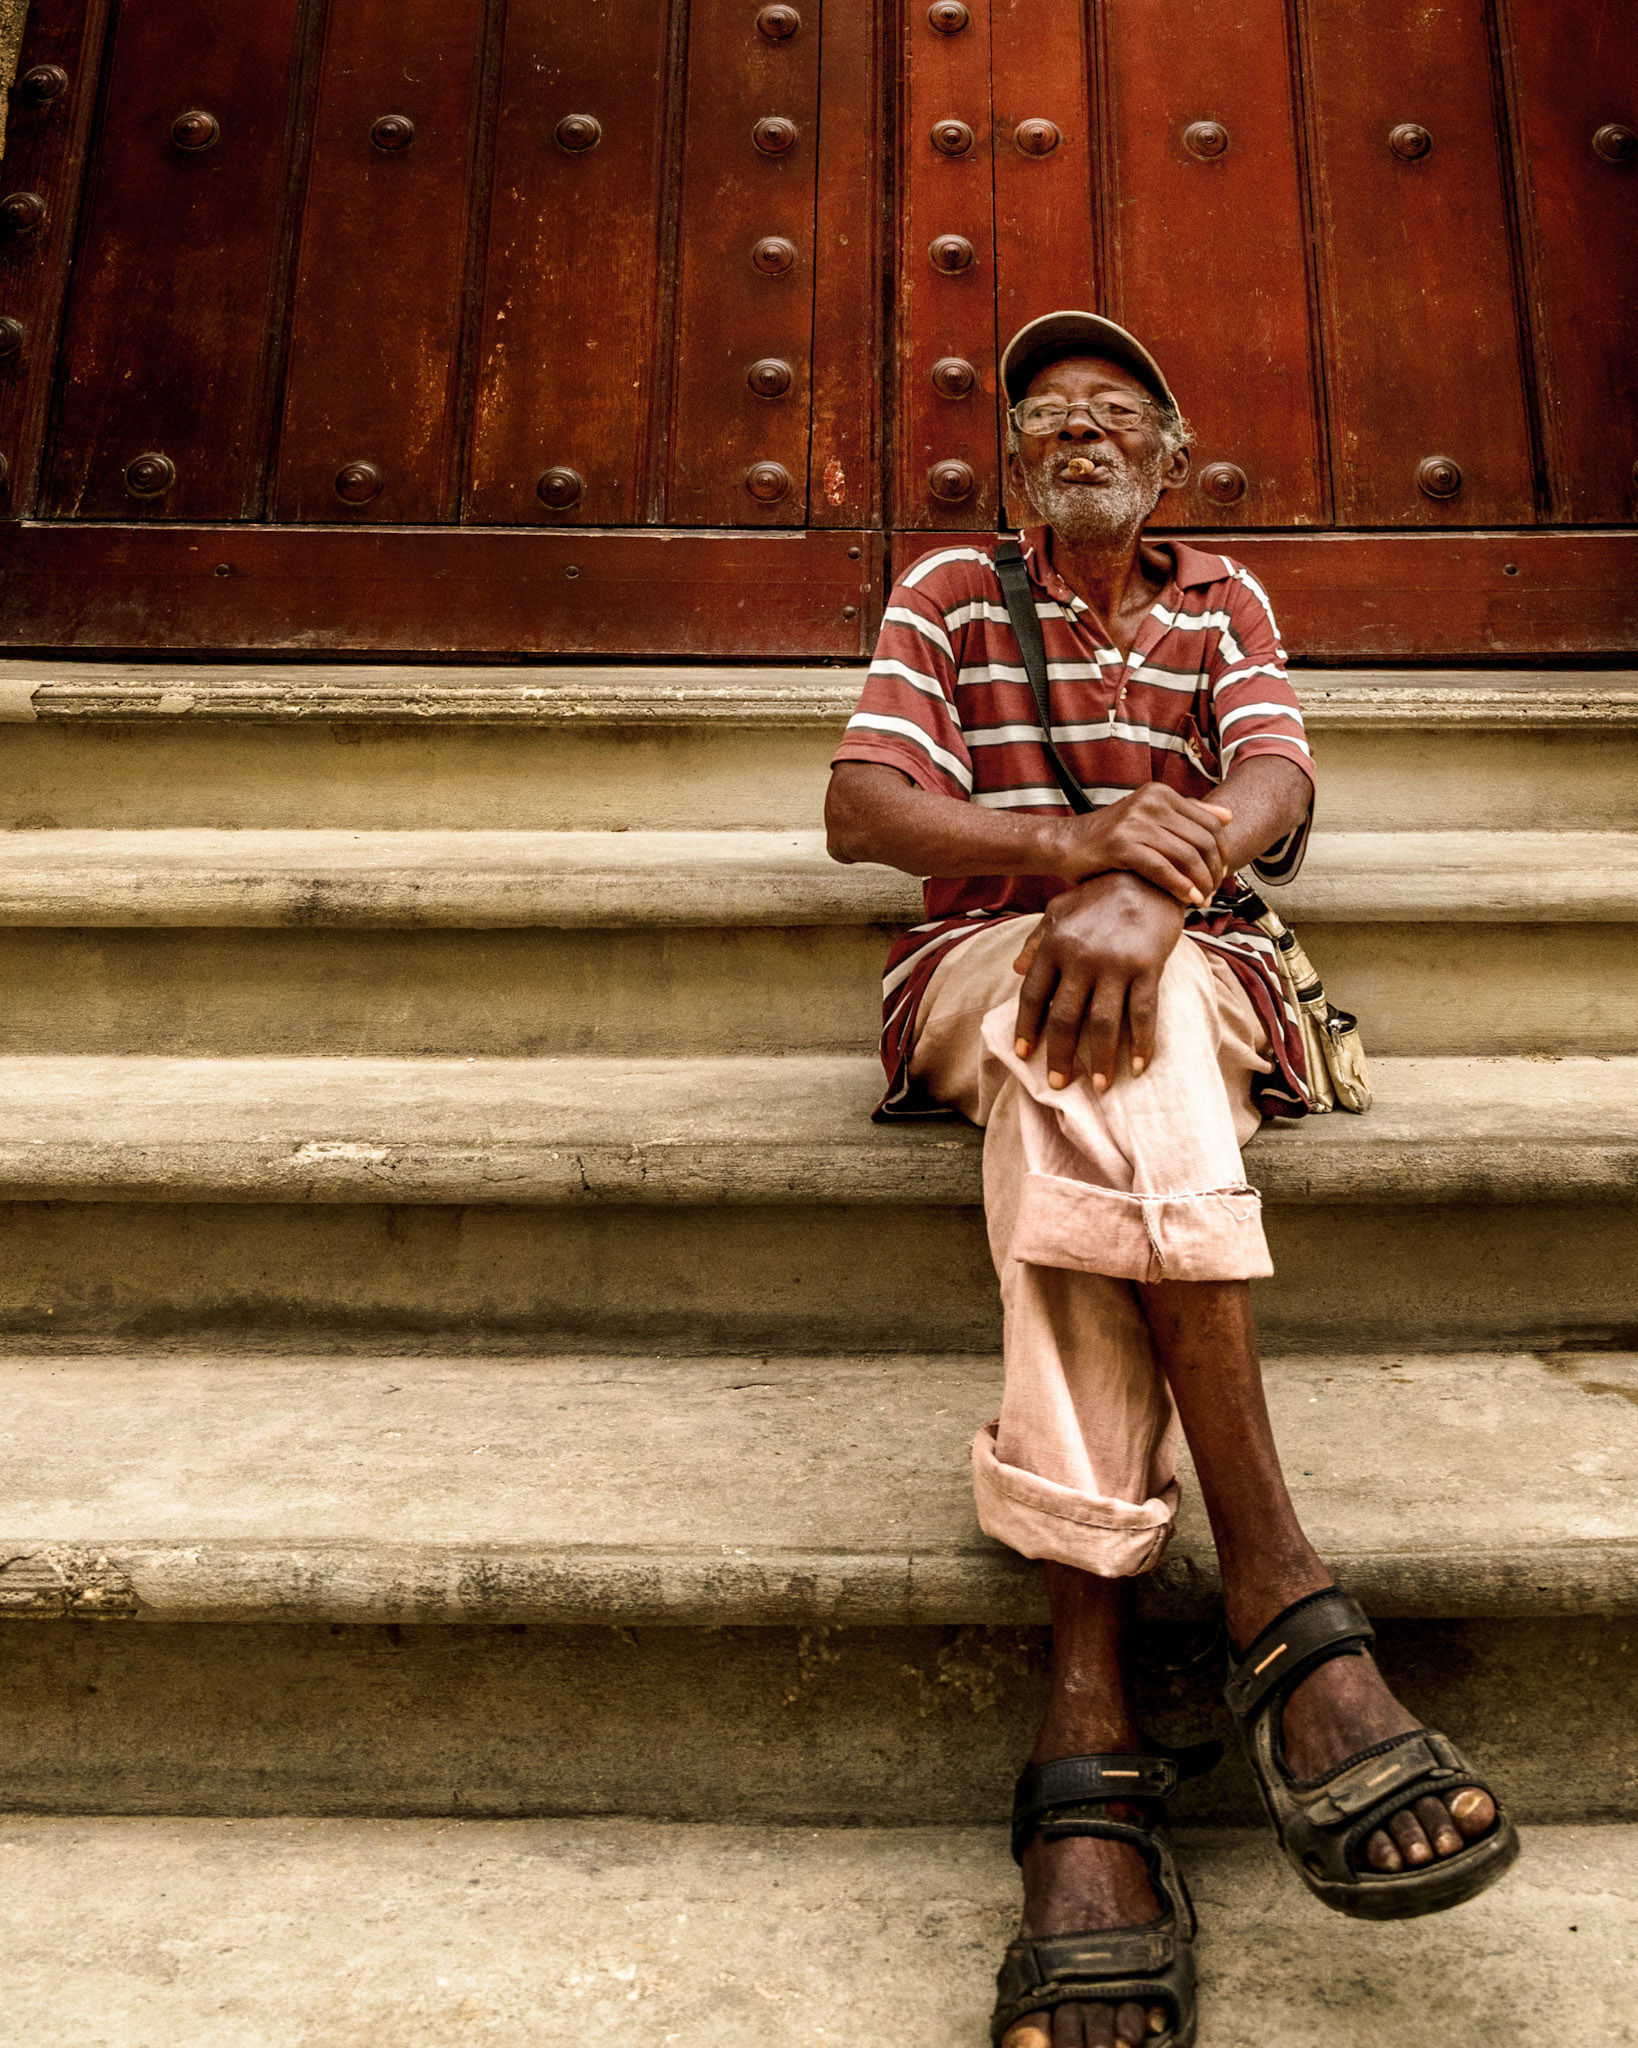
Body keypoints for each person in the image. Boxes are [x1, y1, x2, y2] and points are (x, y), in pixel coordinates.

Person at [825, 311, 1516, 2047]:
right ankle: (1279, 1588)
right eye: (1043, 415)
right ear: (1007, 465)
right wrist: (1075, 859)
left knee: (1111, 1056)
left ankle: (1089, 1722)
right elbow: (863, 806)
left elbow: (1275, 778)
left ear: (1171, 459)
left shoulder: (1226, 602)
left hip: (1184, 964)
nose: (1074, 431)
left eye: (1110, 413)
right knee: (1085, 1042)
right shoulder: (947, 597)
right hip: (984, 964)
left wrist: (1152, 890)